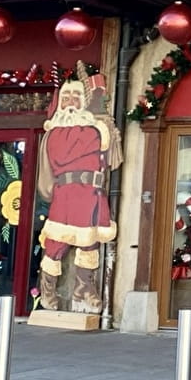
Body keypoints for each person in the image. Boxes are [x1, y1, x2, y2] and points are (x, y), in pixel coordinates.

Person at [36, 70, 121, 312]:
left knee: (89, 246)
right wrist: (100, 127)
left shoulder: (94, 127)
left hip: (92, 194)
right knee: (55, 244)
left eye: (75, 96)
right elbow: (76, 147)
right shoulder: (57, 132)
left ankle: (84, 289)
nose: (71, 101)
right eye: (66, 96)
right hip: (68, 193)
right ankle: (48, 292)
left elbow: (109, 157)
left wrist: (102, 126)